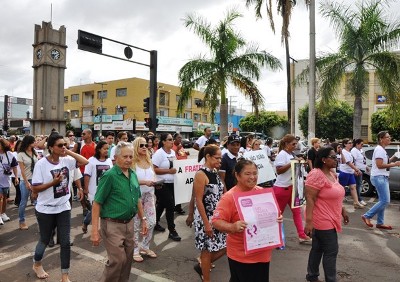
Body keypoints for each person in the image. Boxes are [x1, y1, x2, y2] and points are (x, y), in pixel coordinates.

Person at [212, 159, 283, 282]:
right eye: (247, 174)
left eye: (255, 173)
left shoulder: (262, 192)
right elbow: (216, 221)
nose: (252, 177)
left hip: (263, 252)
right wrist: (232, 227)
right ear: (237, 175)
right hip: (241, 256)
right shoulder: (229, 197)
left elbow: (274, 214)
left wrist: (278, 218)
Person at [31, 133, 88, 282]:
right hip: (45, 209)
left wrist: (67, 151)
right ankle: (37, 264)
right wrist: (53, 183)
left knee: (65, 242)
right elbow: (35, 189)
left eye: (65, 144)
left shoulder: (66, 160)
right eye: (60, 145)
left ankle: (65, 276)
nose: (63, 147)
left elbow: (84, 161)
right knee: (44, 240)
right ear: (50, 148)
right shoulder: (41, 164)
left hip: (63, 207)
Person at [91, 142, 147, 282]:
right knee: (118, 260)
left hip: (129, 223)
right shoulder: (109, 176)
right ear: (116, 158)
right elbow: (97, 203)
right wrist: (94, 231)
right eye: (125, 156)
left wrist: (143, 219)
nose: (128, 159)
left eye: (130, 156)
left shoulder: (133, 174)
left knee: (127, 260)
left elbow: (138, 199)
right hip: (112, 225)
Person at [304, 146, 349, 282]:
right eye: (333, 157)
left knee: (317, 248)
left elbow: (336, 195)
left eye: (337, 157)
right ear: (324, 159)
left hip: (332, 216)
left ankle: (312, 276)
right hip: (322, 219)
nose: (336, 159)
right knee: (331, 251)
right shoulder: (316, 174)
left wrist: (343, 210)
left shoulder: (332, 174)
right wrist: (309, 221)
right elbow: (310, 198)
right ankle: (330, 279)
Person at [192, 144, 226, 281]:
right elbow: (198, 200)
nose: (219, 161)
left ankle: (202, 266)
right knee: (207, 250)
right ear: (208, 157)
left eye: (220, 158)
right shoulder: (201, 174)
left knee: (226, 246)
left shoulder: (214, 173)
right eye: (217, 158)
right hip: (205, 218)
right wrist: (206, 224)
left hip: (217, 217)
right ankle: (206, 277)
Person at [273, 134, 311, 243]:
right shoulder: (282, 154)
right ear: (286, 144)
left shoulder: (291, 154)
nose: (295, 146)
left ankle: (302, 235)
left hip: (292, 187)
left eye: (296, 144)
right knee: (278, 214)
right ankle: (274, 237)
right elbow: (279, 171)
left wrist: (299, 163)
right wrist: (292, 163)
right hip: (282, 188)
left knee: (297, 212)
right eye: (293, 144)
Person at [361, 131, 400, 230]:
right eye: (387, 137)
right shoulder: (379, 150)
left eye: (389, 137)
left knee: (382, 200)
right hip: (379, 177)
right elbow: (380, 165)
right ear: (381, 139)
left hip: (381, 177)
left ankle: (380, 222)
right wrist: (394, 164)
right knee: (385, 201)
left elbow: (384, 162)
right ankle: (367, 216)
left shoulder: (382, 150)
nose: (389, 138)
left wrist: (394, 157)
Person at [132, 137, 157, 262]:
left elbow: (154, 176)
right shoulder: (132, 162)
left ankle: (145, 246)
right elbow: (129, 180)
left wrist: (156, 183)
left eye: (146, 145)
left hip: (149, 195)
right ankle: (135, 250)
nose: (144, 147)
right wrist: (144, 182)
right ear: (136, 146)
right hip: (136, 196)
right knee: (136, 224)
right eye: (141, 145)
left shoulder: (149, 160)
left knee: (152, 222)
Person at [152, 133, 181, 241]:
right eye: (169, 139)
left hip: (172, 183)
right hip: (161, 183)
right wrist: (169, 171)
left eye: (172, 139)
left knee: (162, 204)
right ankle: (172, 230)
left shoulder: (173, 152)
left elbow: (175, 166)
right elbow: (153, 169)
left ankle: (154, 222)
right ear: (163, 141)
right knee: (170, 205)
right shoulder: (159, 153)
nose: (172, 141)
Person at [82, 141, 113, 233]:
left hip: (107, 190)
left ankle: (103, 229)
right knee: (95, 209)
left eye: (108, 149)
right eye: (105, 148)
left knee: (104, 209)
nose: (106, 150)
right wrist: (86, 189)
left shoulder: (109, 161)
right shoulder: (91, 160)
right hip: (94, 190)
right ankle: (87, 223)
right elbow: (87, 175)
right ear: (99, 149)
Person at [17, 135, 38, 230]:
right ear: (29, 142)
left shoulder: (34, 152)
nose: (35, 143)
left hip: (35, 180)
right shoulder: (21, 154)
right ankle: (22, 221)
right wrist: (26, 182)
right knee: (24, 202)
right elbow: (22, 171)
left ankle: (41, 221)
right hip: (25, 180)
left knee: (38, 201)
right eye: (34, 141)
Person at [338, 139, 364, 209]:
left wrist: (354, 170)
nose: (351, 144)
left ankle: (356, 202)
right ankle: (339, 203)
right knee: (342, 188)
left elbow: (352, 163)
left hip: (350, 172)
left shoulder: (349, 152)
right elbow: (348, 163)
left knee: (353, 187)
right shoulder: (344, 152)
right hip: (344, 172)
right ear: (345, 144)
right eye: (349, 143)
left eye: (351, 143)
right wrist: (356, 169)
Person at [0, 138, 19, 225]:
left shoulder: (10, 155)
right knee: (0, 197)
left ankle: (3, 213)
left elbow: (14, 166)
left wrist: (16, 177)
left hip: (6, 180)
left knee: (4, 198)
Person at [172, 133, 188, 214]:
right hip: (176, 170)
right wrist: (176, 149)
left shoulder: (180, 145)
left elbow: (182, 154)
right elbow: (172, 157)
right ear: (174, 139)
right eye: (178, 138)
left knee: (180, 189)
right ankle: (177, 207)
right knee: (176, 190)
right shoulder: (172, 146)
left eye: (181, 138)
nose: (180, 139)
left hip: (182, 170)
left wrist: (186, 153)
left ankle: (178, 206)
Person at [351, 139, 367, 206]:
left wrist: (366, 167)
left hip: (362, 169)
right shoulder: (354, 150)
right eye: (361, 144)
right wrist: (355, 170)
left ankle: (357, 199)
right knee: (357, 185)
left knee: (359, 184)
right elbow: (353, 161)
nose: (362, 146)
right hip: (358, 170)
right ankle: (359, 199)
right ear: (357, 144)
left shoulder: (360, 150)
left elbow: (363, 159)